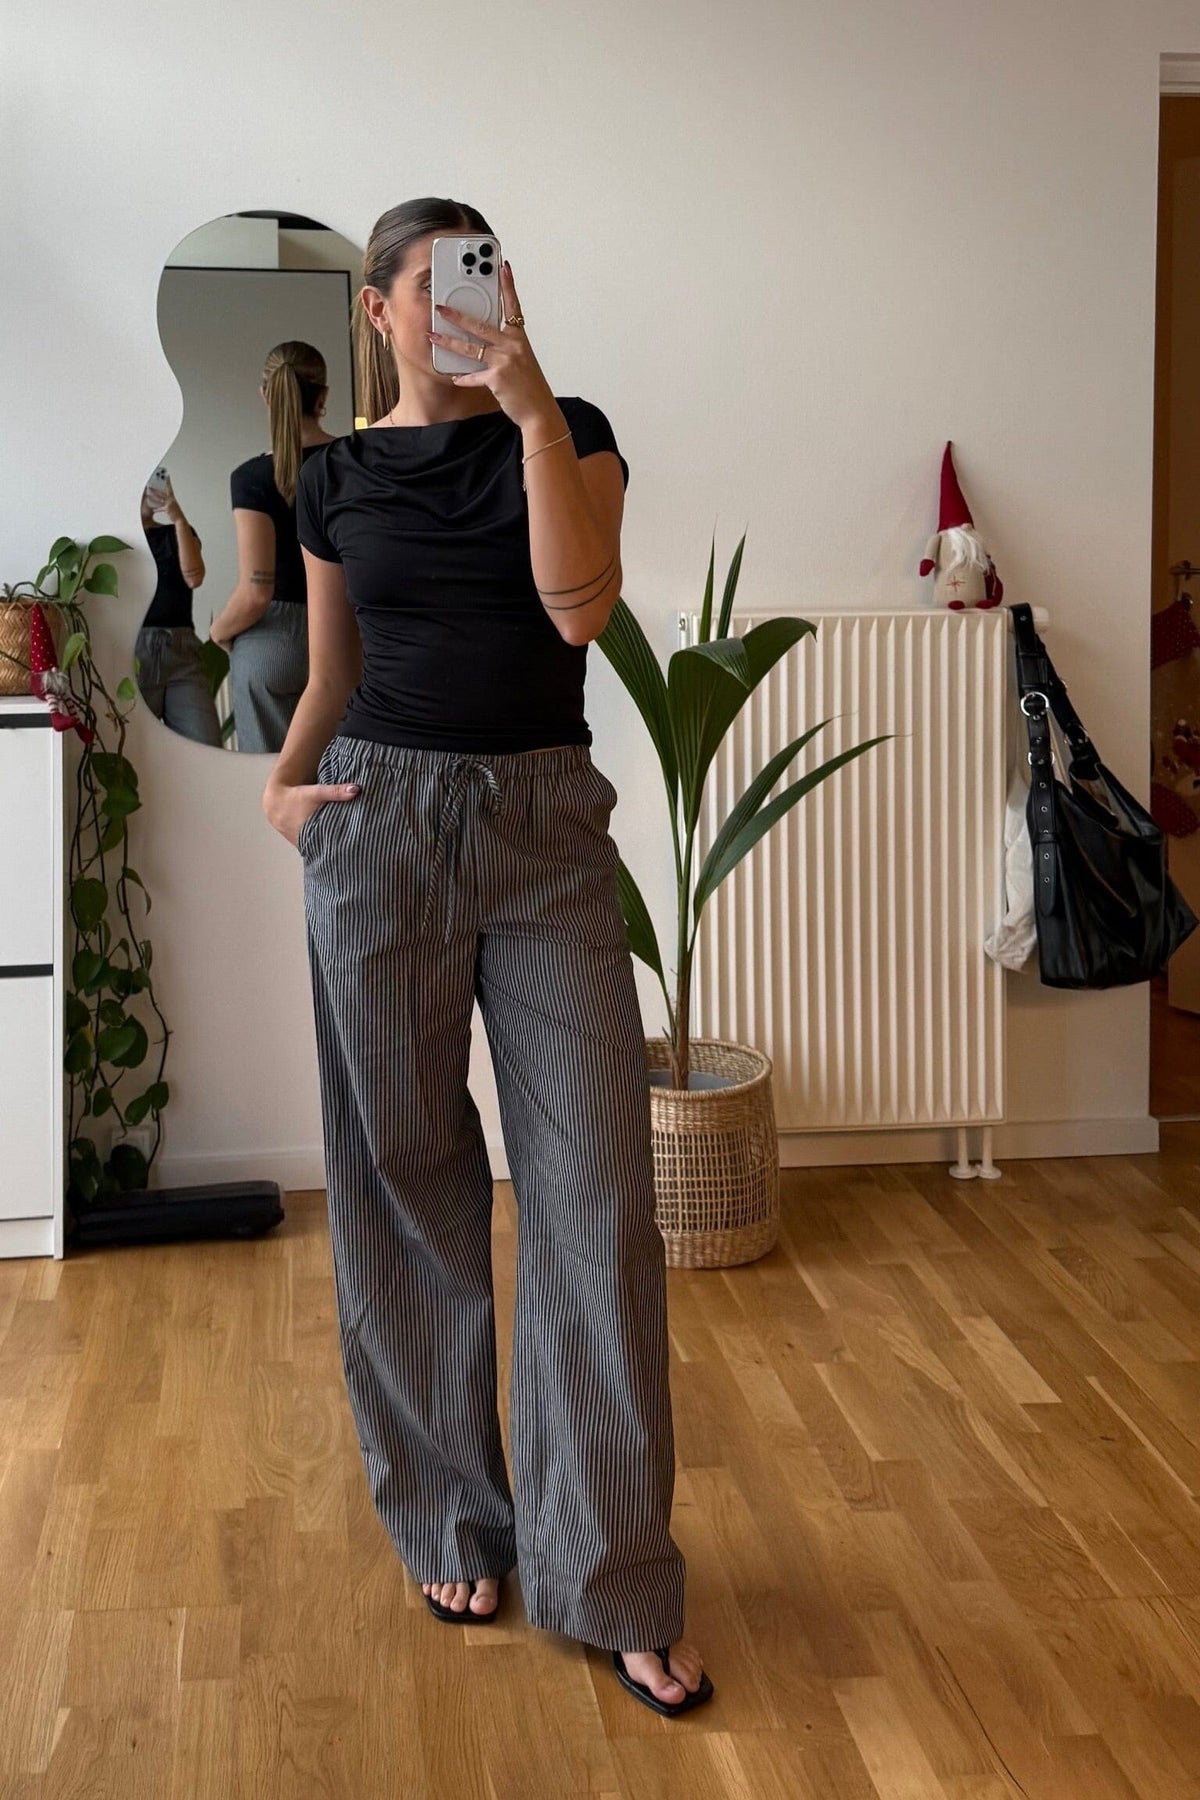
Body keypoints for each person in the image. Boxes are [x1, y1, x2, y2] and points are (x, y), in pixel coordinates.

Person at [262, 197, 713, 1719]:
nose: (470, 303)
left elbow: (578, 614)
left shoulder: (573, 430)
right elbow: (336, 667)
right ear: (382, 308)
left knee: (595, 1196)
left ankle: (613, 1576)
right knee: (405, 1177)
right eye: (441, 283)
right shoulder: (332, 478)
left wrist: (527, 410)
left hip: (542, 829)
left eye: (491, 277)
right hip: (378, 823)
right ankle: (454, 1518)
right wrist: (283, 788)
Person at [213, 342, 337, 752]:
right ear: (322, 397)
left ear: (267, 395)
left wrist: (218, 631)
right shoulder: (357, 461)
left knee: (270, 783)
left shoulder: (250, 477)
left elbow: (255, 592)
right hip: (347, 635)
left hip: (272, 647)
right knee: (351, 781)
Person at [135, 474, 223, 746]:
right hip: (133, 652)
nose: (149, 491)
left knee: (205, 746)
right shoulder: (119, 541)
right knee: (133, 749)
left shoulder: (177, 532)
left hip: (181, 652)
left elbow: (194, 578)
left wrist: (178, 519)